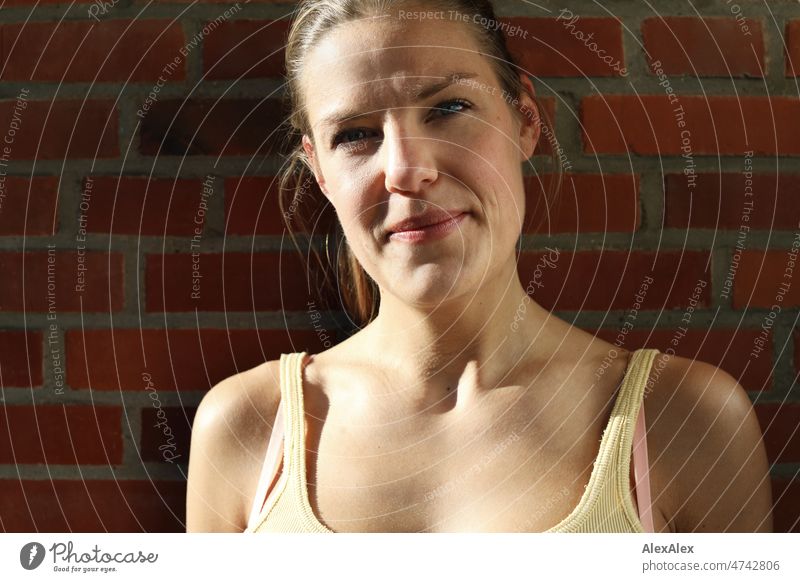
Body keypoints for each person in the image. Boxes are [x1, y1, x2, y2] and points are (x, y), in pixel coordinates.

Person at [186, 0, 773, 533]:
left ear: (524, 120)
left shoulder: (686, 421)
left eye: (449, 107)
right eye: (356, 134)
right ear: (318, 170)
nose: (405, 169)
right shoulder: (245, 429)